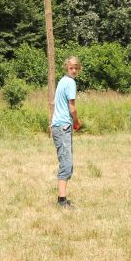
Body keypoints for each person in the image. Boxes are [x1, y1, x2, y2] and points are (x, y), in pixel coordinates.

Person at [51, 56, 82, 209]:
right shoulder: (70, 83)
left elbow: (55, 103)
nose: (74, 70)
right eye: (71, 68)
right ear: (67, 68)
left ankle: (62, 199)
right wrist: (76, 122)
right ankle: (62, 201)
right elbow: (72, 108)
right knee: (66, 164)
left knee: (66, 163)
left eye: (76, 68)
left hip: (59, 126)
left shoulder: (62, 81)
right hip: (63, 127)